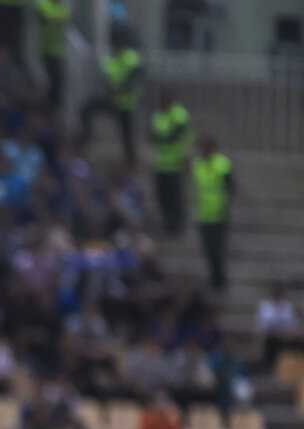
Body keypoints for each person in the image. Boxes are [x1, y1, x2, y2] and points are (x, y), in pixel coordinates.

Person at [79, 28, 142, 168]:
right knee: (86, 109)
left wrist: (117, 89)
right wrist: (109, 90)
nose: (116, 48)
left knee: (127, 134)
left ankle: (131, 162)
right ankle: (85, 139)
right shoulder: (109, 60)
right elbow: (105, 80)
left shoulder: (131, 58)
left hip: (125, 104)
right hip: (111, 102)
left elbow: (133, 79)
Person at [193, 136, 235, 292]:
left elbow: (231, 186)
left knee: (218, 251)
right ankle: (213, 279)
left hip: (219, 215)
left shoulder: (222, 163)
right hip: (204, 215)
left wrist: (225, 206)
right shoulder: (198, 164)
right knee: (208, 251)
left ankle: (220, 281)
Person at [151, 89, 191, 237]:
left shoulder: (179, 114)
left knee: (175, 197)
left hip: (175, 162)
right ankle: (168, 224)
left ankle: (178, 225)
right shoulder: (159, 114)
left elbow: (174, 135)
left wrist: (162, 137)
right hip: (161, 163)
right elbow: (154, 134)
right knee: (163, 196)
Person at [35, 0, 71, 109]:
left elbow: (65, 20)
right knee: (49, 80)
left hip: (58, 52)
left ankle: (53, 107)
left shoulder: (63, 9)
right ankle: (47, 107)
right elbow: (49, 17)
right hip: (46, 50)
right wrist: (58, 19)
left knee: (58, 82)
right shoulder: (43, 4)